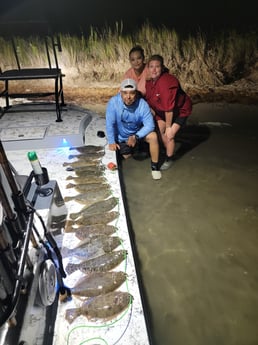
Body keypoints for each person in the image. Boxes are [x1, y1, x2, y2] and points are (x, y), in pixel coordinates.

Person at [106, 78, 162, 180]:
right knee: (129, 163)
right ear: (120, 93)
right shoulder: (113, 102)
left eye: (131, 93)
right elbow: (110, 124)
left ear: (136, 93)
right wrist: (111, 141)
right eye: (125, 93)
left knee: (153, 136)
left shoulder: (142, 104)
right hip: (122, 138)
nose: (128, 97)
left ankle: (155, 167)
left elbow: (150, 125)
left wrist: (136, 136)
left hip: (137, 134)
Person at [145, 54, 192, 170]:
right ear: (148, 68)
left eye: (157, 66)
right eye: (151, 66)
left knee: (169, 135)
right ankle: (164, 149)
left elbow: (169, 109)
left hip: (179, 111)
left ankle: (169, 158)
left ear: (162, 68)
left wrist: (169, 127)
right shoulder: (149, 81)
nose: (154, 70)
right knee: (157, 131)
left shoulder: (166, 82)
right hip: (161, 111)